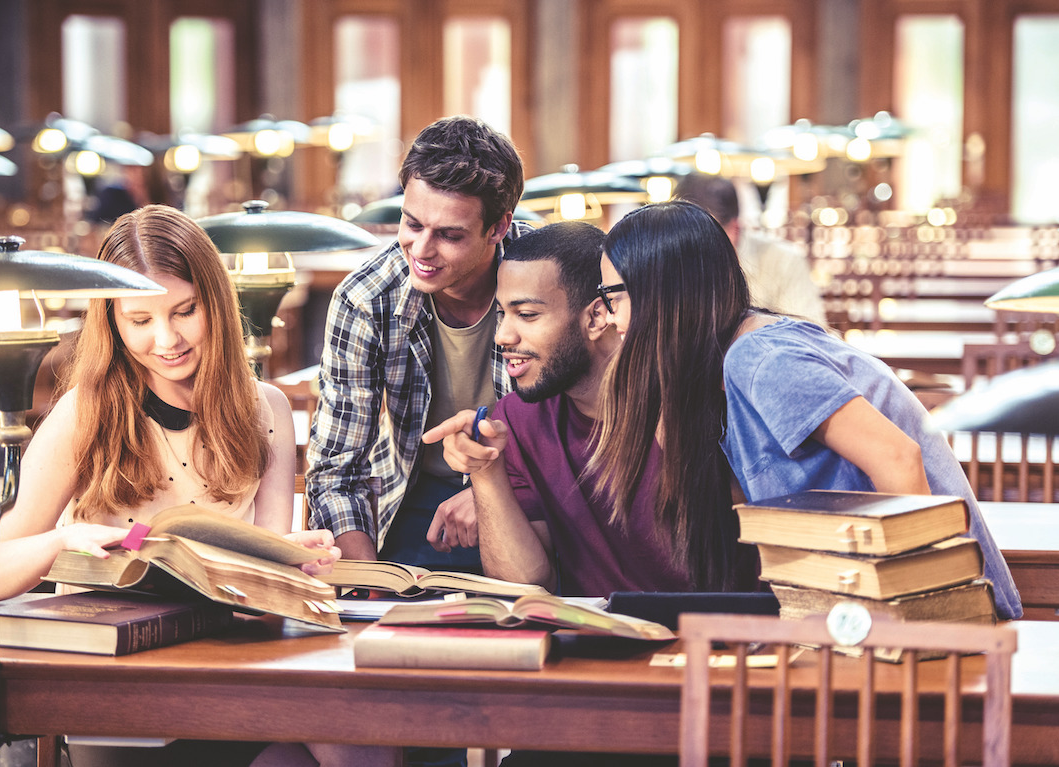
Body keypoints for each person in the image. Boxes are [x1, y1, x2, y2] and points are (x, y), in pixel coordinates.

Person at [0, 204, 396, 767]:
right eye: (139, 321)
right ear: (112, 322)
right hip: (120, 675)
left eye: (185, 311)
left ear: (214, 302)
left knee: (367, 737)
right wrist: (58, 543)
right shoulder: (86, 413)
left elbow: (262, 589)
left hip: (231, 664)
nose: (166, 339)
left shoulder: (265, 409)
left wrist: (287, 561)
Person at [594, 200, 1022, 620]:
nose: (611, 318)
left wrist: (929, 616)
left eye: (612, 297)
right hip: (856, 612)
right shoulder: (726, 364)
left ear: (660, 290)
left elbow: (897, 458)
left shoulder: (762, 359)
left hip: (942, 619)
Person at [421, 221, 759, 598]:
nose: (503, 336)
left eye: (527, 315)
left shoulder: (696, 398)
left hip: (723, 642)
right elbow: (524, 588)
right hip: (598, 644)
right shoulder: (515, 421)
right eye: (502, 314)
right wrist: (485, 472)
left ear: (597, 317)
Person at [306, 115, 530, 575]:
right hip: (416, 498)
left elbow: (593, 441)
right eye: (412, 223)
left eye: (449, 235)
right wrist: (367, 584)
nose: (421, 250)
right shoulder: (366, 299)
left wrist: (495, 491)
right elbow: (336, 472)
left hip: (534, 494)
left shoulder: (551, 276)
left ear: (499, 227)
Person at [677, 172, 826, 325]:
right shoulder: (672, 260)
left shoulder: (783, 261)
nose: (692, 248)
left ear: (734, 229)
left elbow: (810, 337)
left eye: (703, 236)